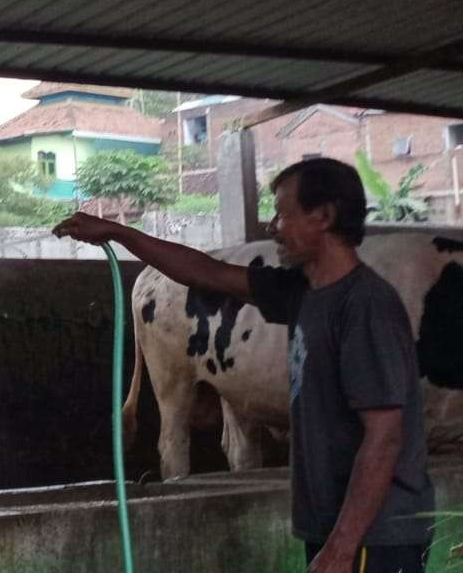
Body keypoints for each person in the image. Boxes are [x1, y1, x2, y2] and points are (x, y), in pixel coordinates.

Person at [53, 157, 433, 573]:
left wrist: (342, 548)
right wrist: (118, 232)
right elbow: (207, 273)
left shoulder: (366, 308)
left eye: (283, 214)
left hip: (374, 537)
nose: (272, 227)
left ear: (323, 216)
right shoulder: (304, 292)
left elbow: (384, 439)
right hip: (337, 528)